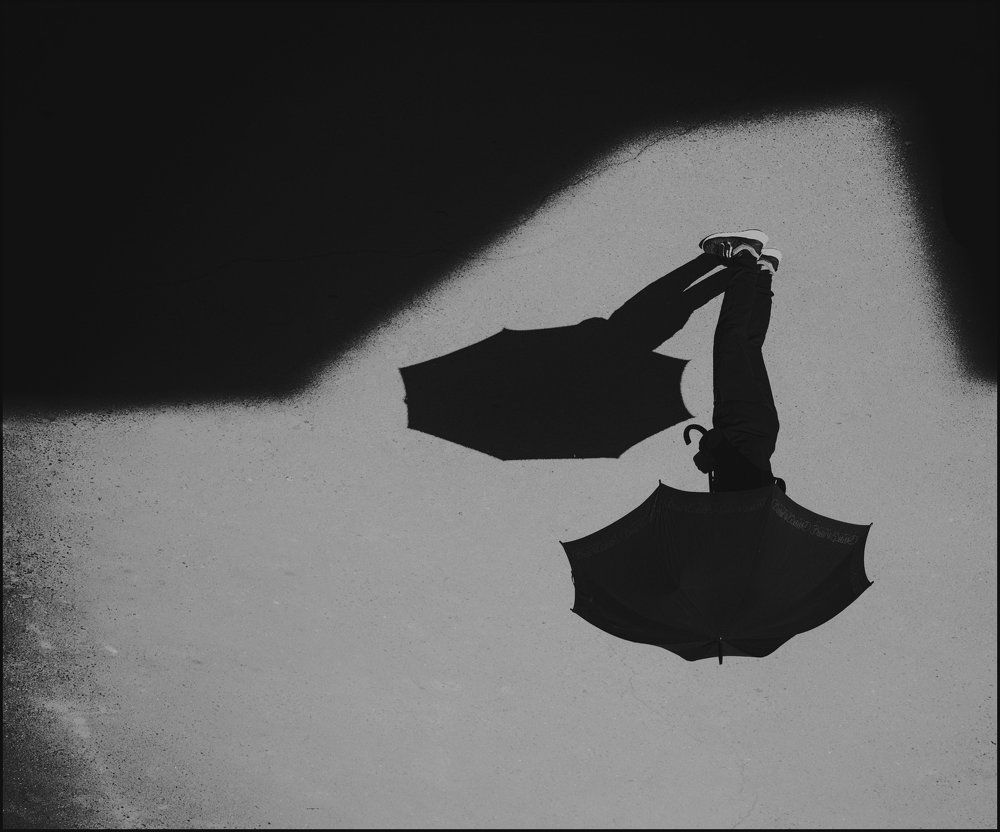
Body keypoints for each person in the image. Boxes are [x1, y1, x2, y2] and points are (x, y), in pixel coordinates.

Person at [682, 229, 786, 493]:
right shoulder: (731, 506)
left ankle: (763, 272)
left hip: (765, 431)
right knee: (730, 338)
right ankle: (745, 254)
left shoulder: (760, 507)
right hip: (738, 419)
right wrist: (706, 454)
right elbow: (719, 442)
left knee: (750, 346)